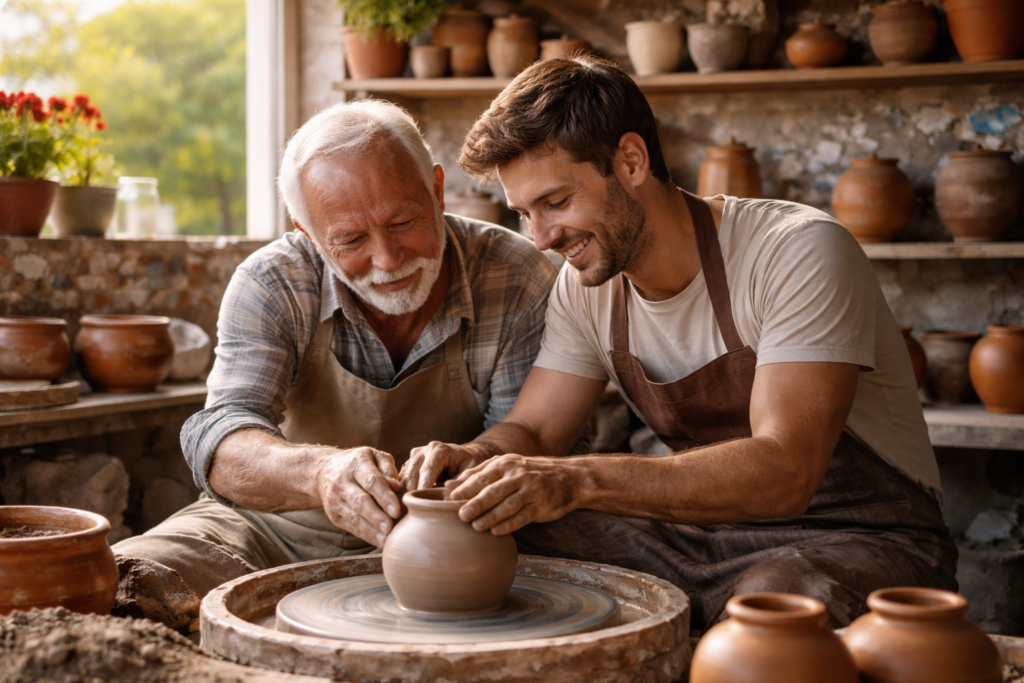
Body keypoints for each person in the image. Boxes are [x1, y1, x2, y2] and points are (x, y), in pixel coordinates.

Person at [404, 56, 958, 629]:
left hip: (861, 537)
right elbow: (538, 431)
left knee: (774, 607)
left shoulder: (796, 251)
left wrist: (577, 478)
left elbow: (786, 470)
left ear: (631, 161)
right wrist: (477, 460)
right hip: (705, 539)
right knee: (499, 531)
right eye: (524, 213)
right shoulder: (586, 285)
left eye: (557, 202)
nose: (540, 238)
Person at [112, 99, 558, 610]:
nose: (387, 259)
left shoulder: (516, 275)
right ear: (309, 236)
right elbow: (221, 438)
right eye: (349, 239)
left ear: (436, 190)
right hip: (275, 532)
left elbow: (532, 439)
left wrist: (474, 462)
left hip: (458, 536)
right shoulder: (273, 281)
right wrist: (320, 475)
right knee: (120, 582)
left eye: (402, 221)